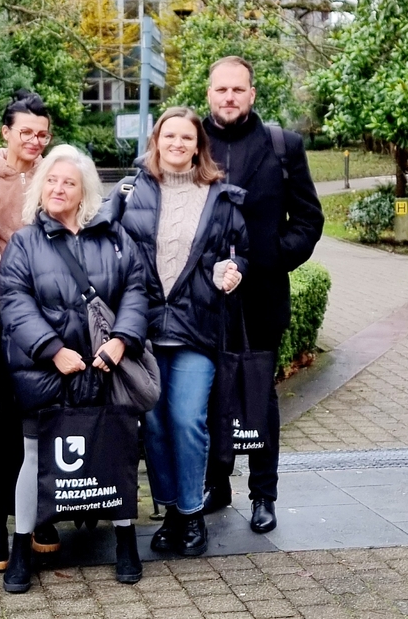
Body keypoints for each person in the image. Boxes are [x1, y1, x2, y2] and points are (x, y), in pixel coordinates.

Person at [0, 144, 149, 592]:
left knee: (115, 450)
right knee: (32, 458)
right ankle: (21, 548)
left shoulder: (116, 237)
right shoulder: (25, 242)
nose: (58, 188)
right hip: (47, 372)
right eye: (51, 180)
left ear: (85, 192)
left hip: (104, 368)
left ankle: (125, 541)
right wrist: (52, 349)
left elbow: (137, 290)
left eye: (69, 182)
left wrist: (121, 341)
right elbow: (14, 301)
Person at [115, 106, 248, 557]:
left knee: (186, 420)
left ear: (198, 144)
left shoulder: (220, 195)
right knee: (152, 426)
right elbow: (109, 247)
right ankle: (170, 511)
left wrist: (234, 270)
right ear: (156, 140)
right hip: (143, 329)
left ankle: (192, 514)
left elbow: (238, 251)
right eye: (169, 136)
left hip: (197, 327)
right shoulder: (131, 192)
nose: (177, 144)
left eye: (186, 137)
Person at [202, 56, 324, 533]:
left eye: (238, 89)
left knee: (259, 397)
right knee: (210, 393)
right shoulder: (193, 144)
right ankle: (217, 483)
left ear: (252, 94)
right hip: (205, 298)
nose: (229, 97)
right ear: (208, 94)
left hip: (262, 297)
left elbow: (309, 220)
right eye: (221, 90)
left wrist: (272, 258)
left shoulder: (282, 146)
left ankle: (263, 493)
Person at [0, 91, 60, 570]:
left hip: (56, 317)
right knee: (8, 422)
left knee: (47, 416)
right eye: (25, 131)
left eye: (41, 133)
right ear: (6, 132)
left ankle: (41, 511)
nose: (33, 140)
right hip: (5, 320)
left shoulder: (55, 173)